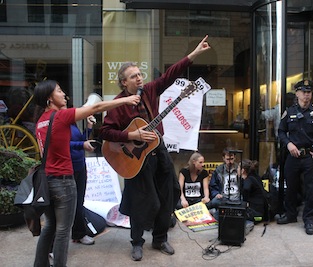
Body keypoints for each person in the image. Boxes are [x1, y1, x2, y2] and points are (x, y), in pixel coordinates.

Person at [98, 35, 211, 261]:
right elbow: (104, 132)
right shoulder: (119, 104)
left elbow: (171, 74)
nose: (139, 78)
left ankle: (160, 239)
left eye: (140, 74)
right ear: (123, 82)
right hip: (136, 159)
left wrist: (194, 54)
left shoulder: (149, 91)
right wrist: (131, 135)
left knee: (168, 194)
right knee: (142, 201)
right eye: (133, 76)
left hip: (158, 151)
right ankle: (137, 242)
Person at [32, 80, 140, 267]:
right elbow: (96, 107)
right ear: (50, 98)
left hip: (46, 182)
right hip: (64, 182)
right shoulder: (60, 116)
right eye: (59, 91)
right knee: (63, 231)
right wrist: (126, 100)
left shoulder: (41, 121)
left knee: (50, 227)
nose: (64, 94)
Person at [276, 79, 313, 235]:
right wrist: (288, 144)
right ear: (297, 93)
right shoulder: (289, 112)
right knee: (291, 187)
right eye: (304, 92)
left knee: (311, 190)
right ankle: (291, 215)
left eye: (309, 92)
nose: (306, 95)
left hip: (310, 157)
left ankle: (308, 219)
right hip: (293, 156)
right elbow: (281, 131)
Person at [70, 115, 97, 245]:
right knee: (64, 207)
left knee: (79, 202)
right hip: (68, 168)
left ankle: (79, 233)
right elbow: (63, 143)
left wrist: (89, 128)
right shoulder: (58, 122)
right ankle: (52, 246)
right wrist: (82, 144)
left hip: (80, 165)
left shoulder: (71, 123)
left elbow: (81, 140)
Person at [208, 147, 241, 216]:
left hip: (237, 197)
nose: (230, 162)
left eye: (231, 159)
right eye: (228, 159)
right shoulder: (218, 170)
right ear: (223, 158)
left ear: (235, 158)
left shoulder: (239, 169)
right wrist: (216, 194)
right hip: (223, 197)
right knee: (214, 202)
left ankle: (217, 212)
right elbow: (213, 185)